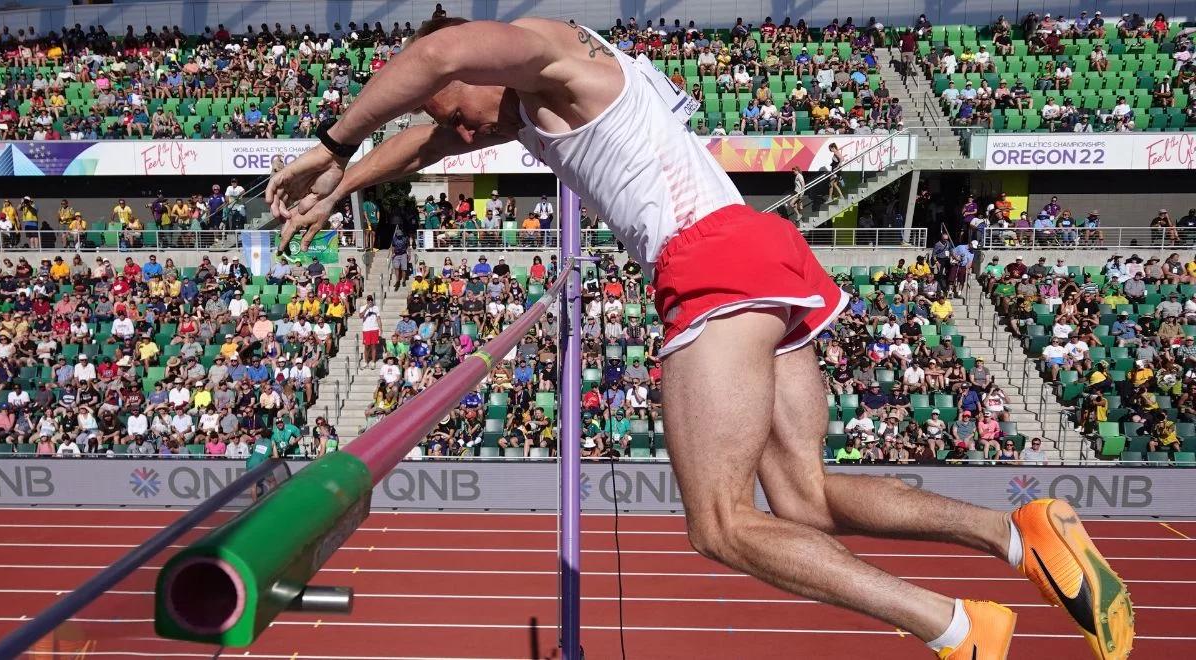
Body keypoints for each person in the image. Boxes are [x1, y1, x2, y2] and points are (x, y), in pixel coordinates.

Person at [267, 17, 1133, 658]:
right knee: (804, 502)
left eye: (458, 109)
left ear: (484, 58)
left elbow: (435, 60)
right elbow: (423, 140)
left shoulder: (555, 53)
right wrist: (342, 184)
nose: (460, 129)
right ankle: (1022, 534)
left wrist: (326, 142)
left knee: (720, 525)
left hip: (710, 259)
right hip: (761, 251)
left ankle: (955, 629)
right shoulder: (528, 104)